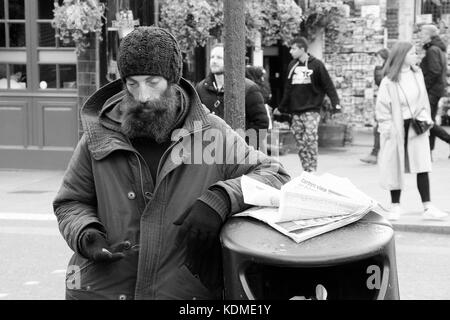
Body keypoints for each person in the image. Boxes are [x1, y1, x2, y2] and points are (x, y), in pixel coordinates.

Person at [53, 27, 290, 300]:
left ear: (173, 80)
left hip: (181, 292)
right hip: (101, 290)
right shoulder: (99, 132)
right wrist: (85, 232)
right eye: (132, 83)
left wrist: (221, 198)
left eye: (153, 82)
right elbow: (70, 202)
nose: (142, 95)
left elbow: (276, 175)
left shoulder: (210, 133)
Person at [376, 41, 448, 221]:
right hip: (397, 127)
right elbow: (382, 108)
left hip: (417, 125)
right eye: (412, 53)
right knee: (395, 166)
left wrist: (427, 119)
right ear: (402, 56)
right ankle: (395, 206)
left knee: (422, 164)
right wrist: (387, 129)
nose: (416, 56)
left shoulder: (417, 74)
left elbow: (423, 99)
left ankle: (428, 206)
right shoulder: (388, 80)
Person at [277, 36, 341, 172]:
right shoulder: (291, 66)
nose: (290, 51)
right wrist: (281, 107)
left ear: (302, 49)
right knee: (300, 143)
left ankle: (312, 169)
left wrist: (336, 104)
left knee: (310, 139)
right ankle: (306, 170)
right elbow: (287, 89)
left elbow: (328, 85)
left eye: (293, 48)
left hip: (312, 110)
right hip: (296, 112)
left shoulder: (317, 65)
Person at [195, 44, 270, 150]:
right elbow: (196, 119)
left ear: (229, 60)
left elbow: (261, 123)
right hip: (210, 152)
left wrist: (243, 145)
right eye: (212, 57)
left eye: (219, 57)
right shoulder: (201, 88)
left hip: (238, 153)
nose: (214, 61)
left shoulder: (249, 88)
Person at [419, 24, 450, 158]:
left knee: (427, 122)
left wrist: (424, 87)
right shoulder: (438, 49)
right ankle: (428, 151)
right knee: (428, 120)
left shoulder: (432, 50)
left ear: (428, 35)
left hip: (432, 90)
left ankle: (433, 148)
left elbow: (434, 71)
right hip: (436, 89)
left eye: (422, 33)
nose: (420, 36)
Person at [361, 48, 390, 165]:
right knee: (379, 128)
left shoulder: (384, 68)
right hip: (387, 103)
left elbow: (379, 81)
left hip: (387, 104)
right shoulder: (387, 67)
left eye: (378, 57)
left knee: (379, 128)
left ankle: (375, 154)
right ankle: (375, 154)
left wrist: (377, 68)